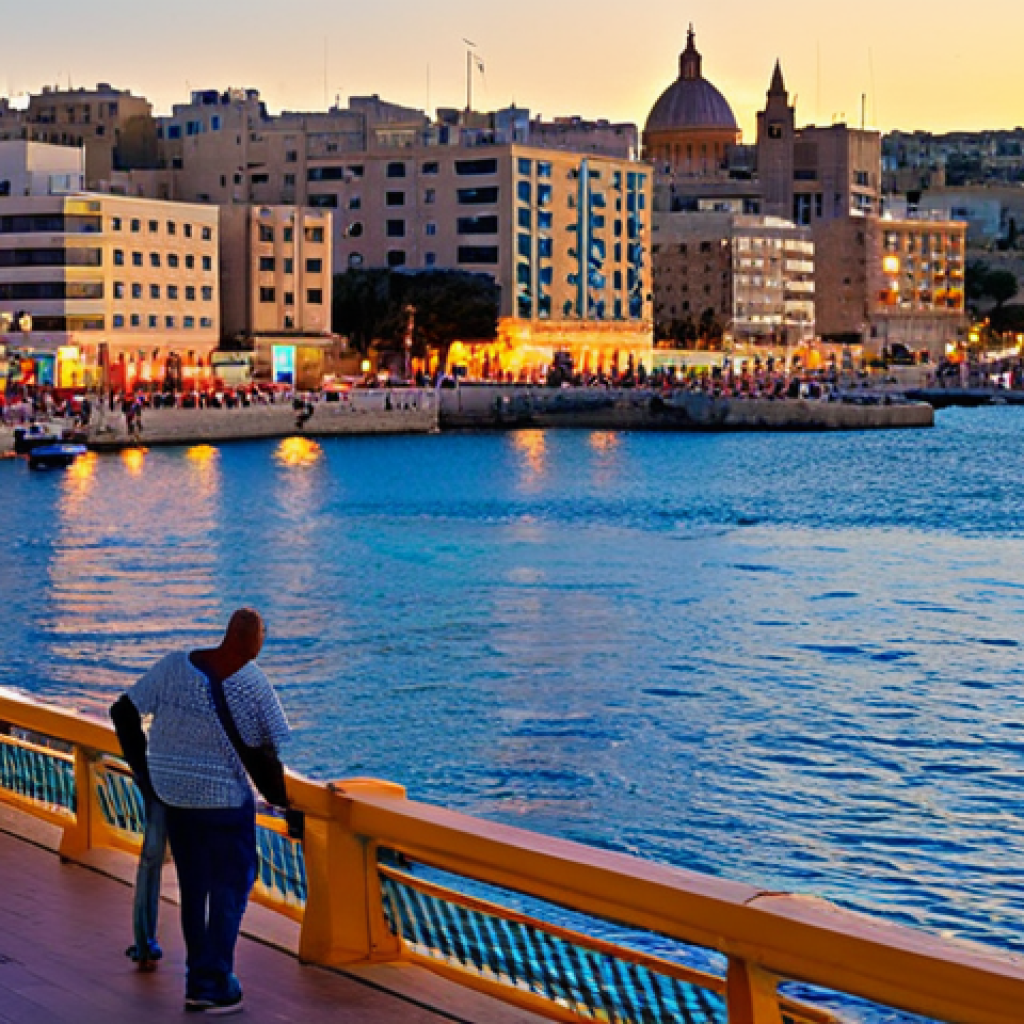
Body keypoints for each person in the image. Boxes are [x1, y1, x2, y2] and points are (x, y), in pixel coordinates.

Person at [110, 609, 295, 1015]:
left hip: (175, 797)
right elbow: (264, 754)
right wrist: (284, 802)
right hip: (224, 802)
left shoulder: (176, 664)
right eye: (262, 636)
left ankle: (197, 981)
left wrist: (146, 775)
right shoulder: (253, 684)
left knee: (194, 890)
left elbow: (122, 712)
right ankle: (214, 983)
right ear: (252, 641)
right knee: (232, 885)